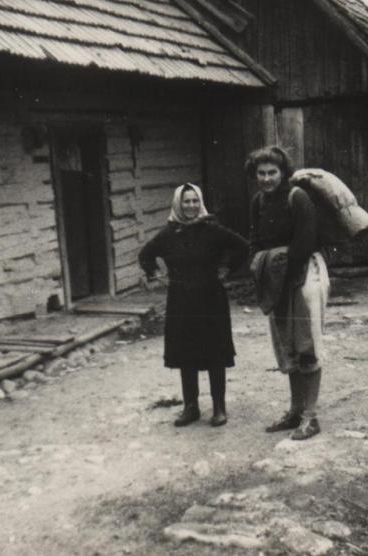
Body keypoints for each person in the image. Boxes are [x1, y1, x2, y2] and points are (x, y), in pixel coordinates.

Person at [138, 183, 248, 427]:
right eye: (186, 202)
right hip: (181, 300)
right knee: (185, 352)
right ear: (178, 204)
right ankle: (191, 407)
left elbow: (243, 246)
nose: (191, 206)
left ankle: (219, 407)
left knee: (215, 352)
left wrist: (227, 269)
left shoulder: (212, 229)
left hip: (211, 299)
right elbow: (145, 254)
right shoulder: (169, 234)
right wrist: (155, 273)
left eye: (195, 201)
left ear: (200, 203)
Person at [246, 146, 330, 440]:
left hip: (304, 273)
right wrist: (261, 267)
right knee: (286, 344)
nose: (267, 179)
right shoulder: (258, 202)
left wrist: (285, 273)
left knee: (306, 341)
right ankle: (295, 411)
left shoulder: (297, 198)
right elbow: (255, 240)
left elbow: (305, 242)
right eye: (261, 173)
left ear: (283, 173)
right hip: (276, 275)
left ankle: (311, 416)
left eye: (272, 172)